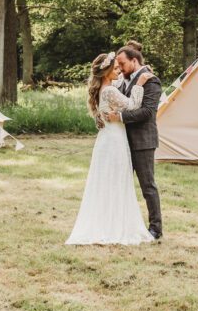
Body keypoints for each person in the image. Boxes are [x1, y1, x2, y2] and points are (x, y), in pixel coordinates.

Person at [66, 51, 155, 245]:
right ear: (106, 72)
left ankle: (107, 222)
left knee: (107, 181)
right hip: (115, 140)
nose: (119, 71)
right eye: (115, 68)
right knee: (116, 181)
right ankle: (114, 226)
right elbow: (132, 105)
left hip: (107, 138)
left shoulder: (104, 89)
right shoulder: (109, 91)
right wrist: (139, 84)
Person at [107, 41, 163, 240]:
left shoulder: (151, 80)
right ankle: (121, 224)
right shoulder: (124, 80)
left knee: (148, 186)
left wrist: (120, 117)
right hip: (122, 141)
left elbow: (147, 112)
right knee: (121, 183)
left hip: (143, 141)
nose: (120, 68)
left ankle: (156, 228)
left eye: (122, 64)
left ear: (134, 60)